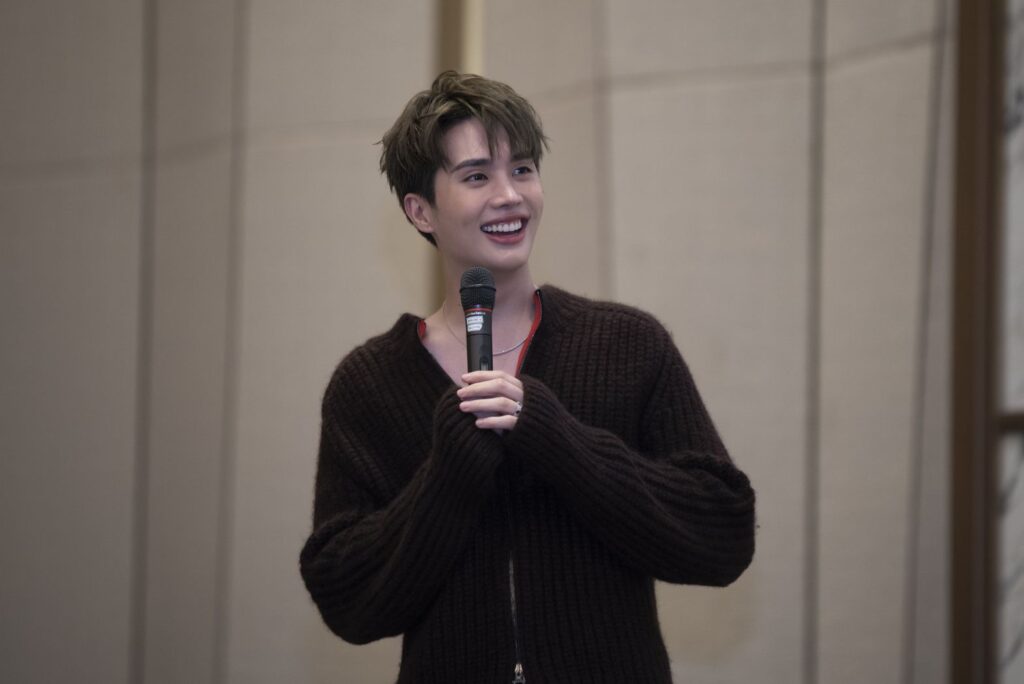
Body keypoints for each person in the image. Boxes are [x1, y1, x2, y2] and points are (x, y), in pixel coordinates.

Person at [299, 71, 756, 683]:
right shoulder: (369, 385)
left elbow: (722, 536)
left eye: (523, 170)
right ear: (420, 210)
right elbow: (347, 598)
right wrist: (448, 472)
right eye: (477, 176)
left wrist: (557, 437)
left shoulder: (627, 345)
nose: (511, 195)